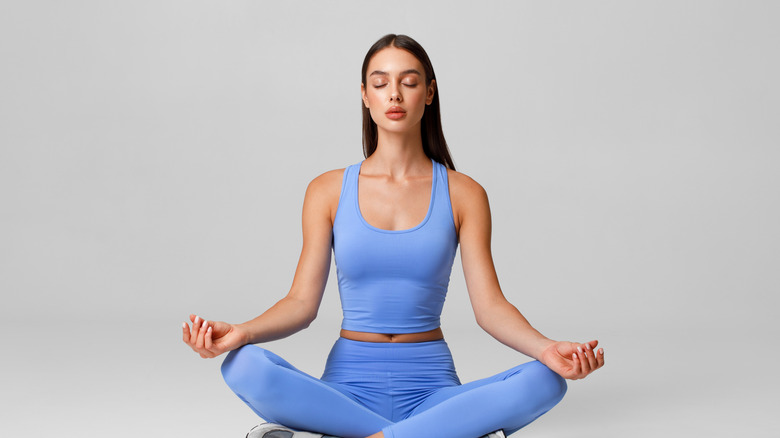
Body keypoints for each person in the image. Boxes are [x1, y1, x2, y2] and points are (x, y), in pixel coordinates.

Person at [182, 34, 605, 438]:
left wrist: (547, 348)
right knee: (242, 366)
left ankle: (357, 436)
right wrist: (242, 331)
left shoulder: (464, 193)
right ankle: (438, 437)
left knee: (546, 381)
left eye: (409, 82)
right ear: (365, 96)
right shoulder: (327, 190)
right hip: (346, 389)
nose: (395, 95)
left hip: (432, 389)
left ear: (430, 92)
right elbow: (300, 304)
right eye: (380, 83)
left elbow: (490, 307)